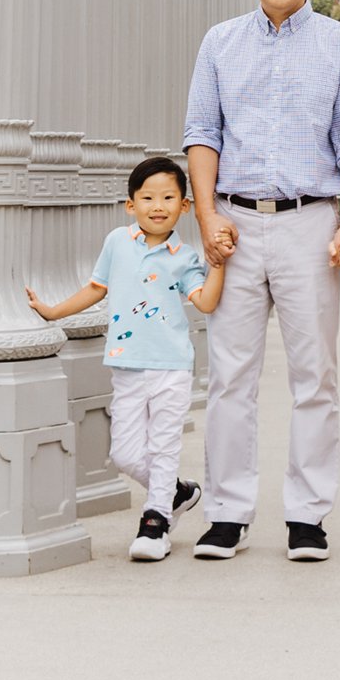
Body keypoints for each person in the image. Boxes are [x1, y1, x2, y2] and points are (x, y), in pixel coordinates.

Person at [183, 0, 340, 562]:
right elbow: (202, 133)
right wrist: (205, 217)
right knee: (229, 375)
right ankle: (227, 513)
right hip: (233, 222)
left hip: (309, 222)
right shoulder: (220, 42)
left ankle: (307, 516)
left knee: (315, 375)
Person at [26, 153, 223, 561]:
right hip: (127, 365)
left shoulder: (184, 258)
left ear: (185, 206)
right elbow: (95, 288)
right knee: (125, 454)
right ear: (131, 205)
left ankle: (155, 522)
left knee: (164, 447)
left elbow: (205, 302)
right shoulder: (117, 242)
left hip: (171, 366)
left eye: (168, 197)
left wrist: (218, 264)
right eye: (147, 198)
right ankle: (177, 493)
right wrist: (53, 311)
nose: (158, 206)